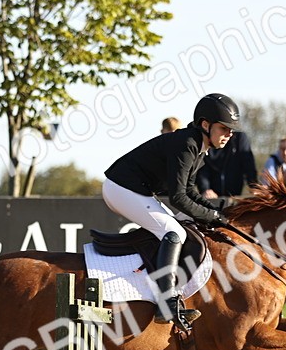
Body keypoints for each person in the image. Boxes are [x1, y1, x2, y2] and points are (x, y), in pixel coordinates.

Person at [103, 93, 241, 331]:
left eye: (231, 130)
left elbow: (189, 191)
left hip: (136, 190)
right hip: (119, 188)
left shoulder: (199, 148)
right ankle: (166, 302)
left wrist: (219, 212)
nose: (229, 134)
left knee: (183, 223)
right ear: (205, 125)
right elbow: (178, 197)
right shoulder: (187, 144)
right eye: (224, 128)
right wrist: (214, 217)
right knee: (173, 231)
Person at [197, 127, 258, 199]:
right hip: (212, 197)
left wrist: (254, 187)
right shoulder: (205, 140)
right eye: (223, 128)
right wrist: (205, 189)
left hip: (234, 196)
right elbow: (202, 170)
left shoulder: (240, 139)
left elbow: (249, 166)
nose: (229, 134)